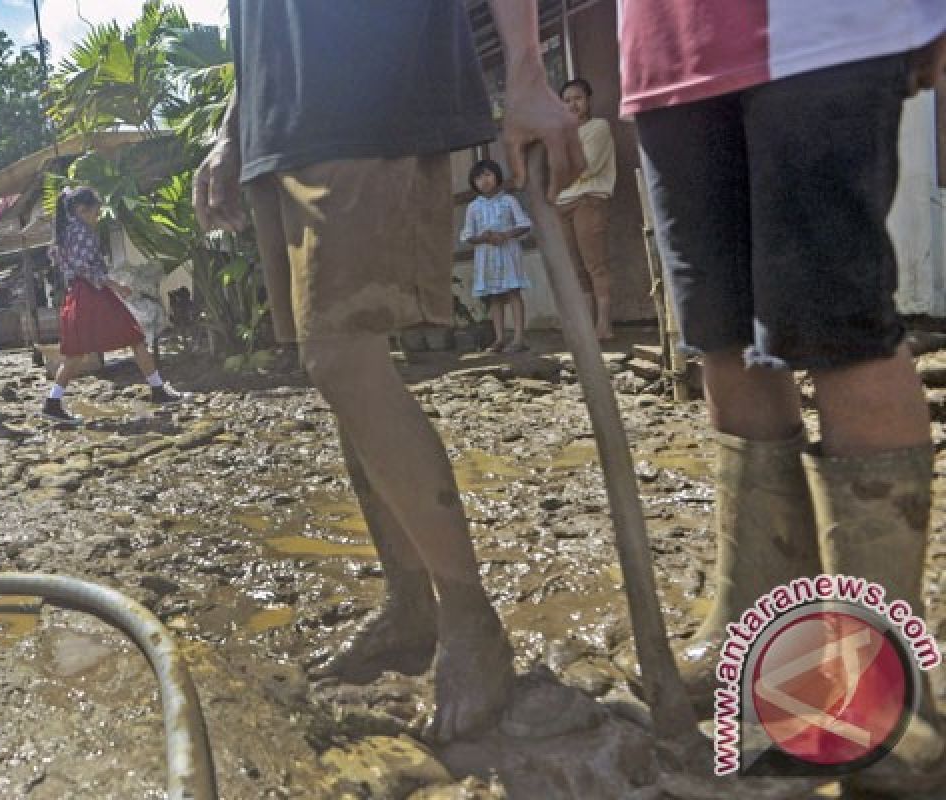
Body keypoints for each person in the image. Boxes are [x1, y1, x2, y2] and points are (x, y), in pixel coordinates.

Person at [196, 0, 584, 742]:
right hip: (282, 126)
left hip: (368, 97)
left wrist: (528, 70)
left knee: (339, 352)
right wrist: (230, 126)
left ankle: (469, 619)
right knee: (338, 364)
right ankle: (411, 601)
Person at [621, 0, 946, 790]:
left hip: (821, 29)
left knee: (841, 330)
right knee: (721, 338)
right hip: (665, 56)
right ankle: (761, 626)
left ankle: (882, 680)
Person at [41, 186, 185, 422]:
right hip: (92, 293)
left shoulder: (65, 232)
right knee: (133, 337)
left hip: (81, 293)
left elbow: (65, 261)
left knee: (78, 352)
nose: (98, 219)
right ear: (81, 210)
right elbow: (84, 267)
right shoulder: (81, 231)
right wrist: (114, 285)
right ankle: (158, 389)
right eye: (96, 214)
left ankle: (53, 402)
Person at [556, 78, 616, 341]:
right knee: (575, 268)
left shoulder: (597, 127)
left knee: (595, 265)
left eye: (577, 98)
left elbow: (587, 167)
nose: (573, 104)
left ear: (588, 100)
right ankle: (586, 327)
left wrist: (562, 169)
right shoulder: (560, 135)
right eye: (567, 101)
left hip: (587, 200)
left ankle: (604, 325)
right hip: (562, 203)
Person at [461, 160, 532, 353]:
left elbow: (524, 224)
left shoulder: (509, 200)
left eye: (488, 175)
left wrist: (506, 235)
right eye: (478, 178)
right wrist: (482, 238)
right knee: (494, 297)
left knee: (513, 292)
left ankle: (519, 338)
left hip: (508, 252)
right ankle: (499, 338)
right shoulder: (473, 207)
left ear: (497, 176)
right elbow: (468, 235)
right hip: (486, 256)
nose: (483, 181)